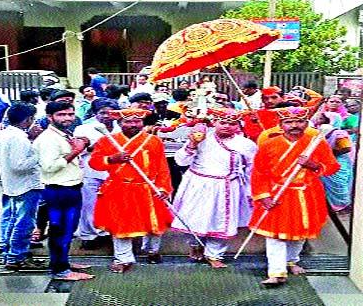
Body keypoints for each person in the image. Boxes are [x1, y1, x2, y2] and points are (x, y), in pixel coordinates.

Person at [248, 107, 340, 286]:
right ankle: (276, 272)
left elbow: (333, 166)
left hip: (306, 194)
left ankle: (292, 260)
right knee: (275, 236)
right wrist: (263, 196)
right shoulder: (268, 144)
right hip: (277, 193)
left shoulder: (316, 142)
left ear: (306, 123)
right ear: (280, 125)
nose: (294, 125)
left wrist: (313, 165)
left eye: (299, 121)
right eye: (289, 122)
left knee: (299, 233)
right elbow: (258, 172)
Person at [89, 108, 173, 273]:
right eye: (128, 121)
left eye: (137, 121)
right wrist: (112, 159)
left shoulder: (153, 141)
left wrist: (163, 187)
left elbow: (163, 167)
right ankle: (123, 258)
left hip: (148, 187)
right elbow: (94, 162)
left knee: (154, 223)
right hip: (120, 188)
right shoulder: (107, 140)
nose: (133, 125)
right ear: (119, 123)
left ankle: (152, 251)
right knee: (121, 226)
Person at [172, 109, 257, 268]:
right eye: (222, 122)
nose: (226, 126)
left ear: (238, 125)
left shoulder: (246, 145)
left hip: (228, 186)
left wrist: (249, 190)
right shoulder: (202, 138)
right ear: (214, 123)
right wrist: (192, 144)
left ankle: (214, 255)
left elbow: (251, 169)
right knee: (194, 218)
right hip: (199, 184)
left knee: (222, 222)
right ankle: (195, 245)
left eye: (232, 123)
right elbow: (181, 161)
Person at [33, 101, 94, 281]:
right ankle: (61, 270)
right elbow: (49, 167)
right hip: (59, 190)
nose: (67, 118)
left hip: (71, 189)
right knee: (61, 230)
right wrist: (76, 151)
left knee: (68, 230)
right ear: (50, 117)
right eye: (61, 115)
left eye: (70, 114)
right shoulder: (47, 139)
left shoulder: (63, 134)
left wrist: (82, 146)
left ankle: (62, 262)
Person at [0, 103, 45, 270]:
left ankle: (7, 251)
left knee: (10, 219)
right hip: (25, 186)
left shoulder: (2, 134)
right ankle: (16, 256)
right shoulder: (19, 138)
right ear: (28, 119)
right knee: (24, 222)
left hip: (11, 184)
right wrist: (37, 151)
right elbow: (19, 165)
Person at [73, 98, 120, 250]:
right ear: (95, 113)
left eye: (111, 113)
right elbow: (79, 150)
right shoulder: (83, 129)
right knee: (89, 204)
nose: (107, 116)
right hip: (91, 172)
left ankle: (108, 232)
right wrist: (98, 145)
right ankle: (89, 235)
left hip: (115, 173)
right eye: (102, 113)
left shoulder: (121, 128)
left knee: (113, 205)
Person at [313, 112, 353, 213]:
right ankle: (331, 205)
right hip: (326, 161)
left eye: (322, 119)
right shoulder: (318, 131)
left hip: (339, 162)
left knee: (339, 184)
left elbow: (346, 148)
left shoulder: (339, 134)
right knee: (325, 184)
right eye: (318, 118)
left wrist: (329, 154)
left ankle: (344, 205)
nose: (318, 121)